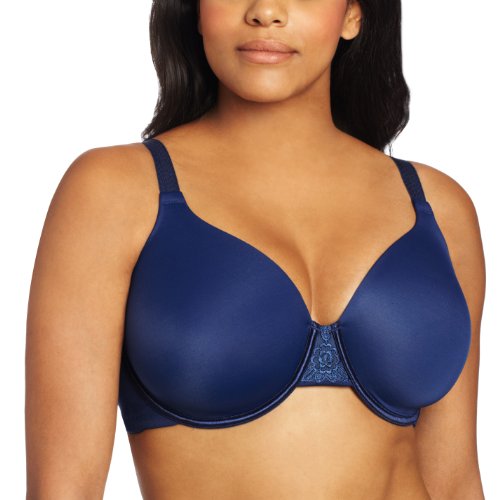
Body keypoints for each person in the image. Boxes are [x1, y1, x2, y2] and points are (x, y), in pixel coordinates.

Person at [25, 0, 485, 498]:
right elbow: (64, 488)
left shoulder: (437, 207)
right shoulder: (115, 191)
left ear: (353, 15)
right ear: (196, 10)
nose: (266, 11)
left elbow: (455, 482)